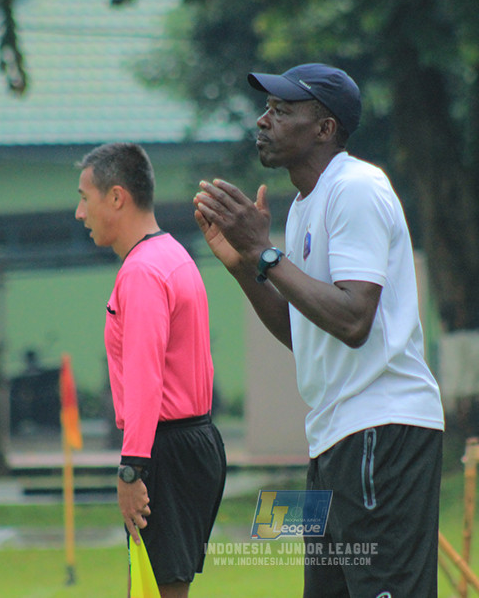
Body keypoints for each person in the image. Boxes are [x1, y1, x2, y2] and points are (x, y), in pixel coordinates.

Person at [194, 63, 445, 597]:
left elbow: (354, 320)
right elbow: (303, 329)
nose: (263, 121)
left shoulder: (355, 188)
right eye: (267, 110)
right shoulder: (305, 208)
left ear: (324, 128)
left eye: (281, 111)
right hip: (332, 438)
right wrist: (244, 264)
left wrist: (265, 253)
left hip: (382, 430)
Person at [75, 142, 226, 598]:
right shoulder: (174, 255)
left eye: (85, 197)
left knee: (158, 591)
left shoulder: (142, 272)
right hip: (192, 441)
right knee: (145, 588)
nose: (80, 213)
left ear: (117, 197)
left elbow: (144, 380)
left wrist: (130, 471)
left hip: (164, 450)